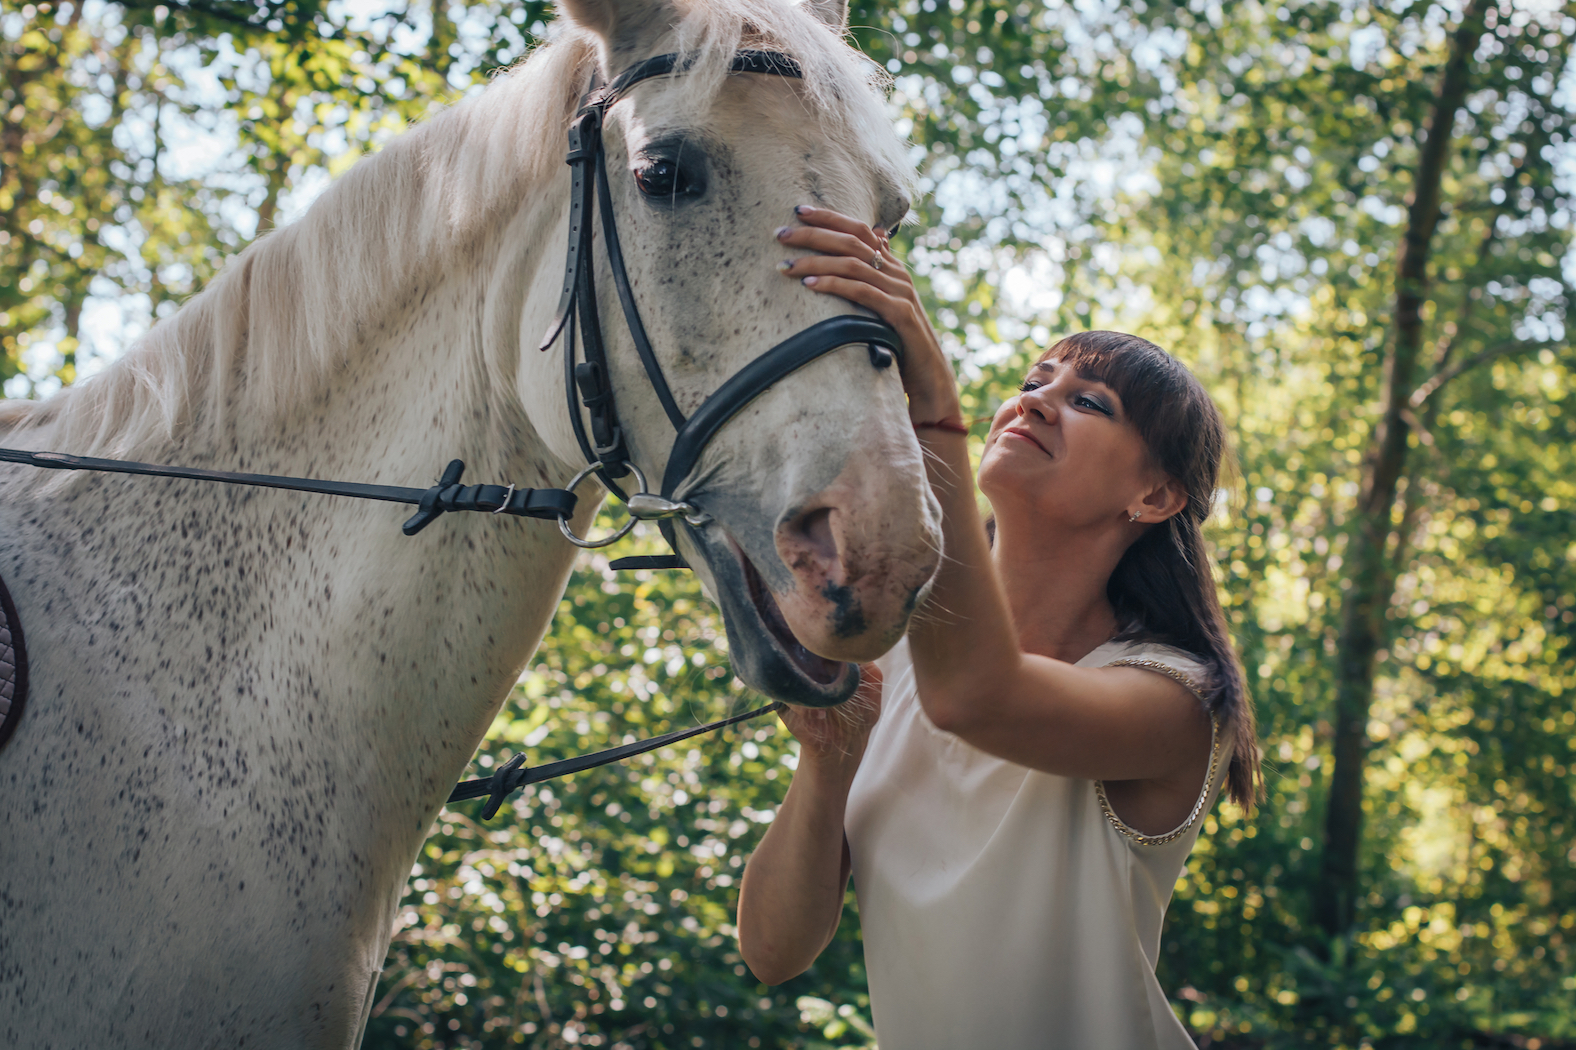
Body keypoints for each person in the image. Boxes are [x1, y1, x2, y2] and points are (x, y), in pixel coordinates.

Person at [735, 206, 1261, 1049]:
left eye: (1087, 401)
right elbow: (772, 951)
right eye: (1031, 384)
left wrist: (931, 406)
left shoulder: (1176, 698)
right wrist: (826, 762)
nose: (1036, 404)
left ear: (1156, 498)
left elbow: (978, 697)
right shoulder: (902, 659)